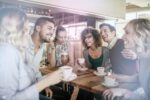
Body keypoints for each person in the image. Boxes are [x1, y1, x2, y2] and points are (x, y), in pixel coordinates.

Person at [0, 7, 62, 100]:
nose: (27, 33)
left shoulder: (18, 48)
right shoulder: (8, 52)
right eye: (24, 29)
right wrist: (46, 82)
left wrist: (50, 79)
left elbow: (33, 73)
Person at [103, 18, 150, 100]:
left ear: (142, 35)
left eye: (127, 32)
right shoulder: (142, 58)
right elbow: (140, 77)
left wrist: (126, 93)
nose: (122, 36)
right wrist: (118, 77)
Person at [77, 27, 110, 100]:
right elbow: (89, 68)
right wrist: (82, 66)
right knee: (83, 90)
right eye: (85, 38)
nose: (86, 40)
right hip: (91, 80)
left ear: (95, 37)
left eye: (89, 37)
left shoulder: (106, 50)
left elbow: (108, 69)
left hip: (103, 81)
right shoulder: (85, 52)